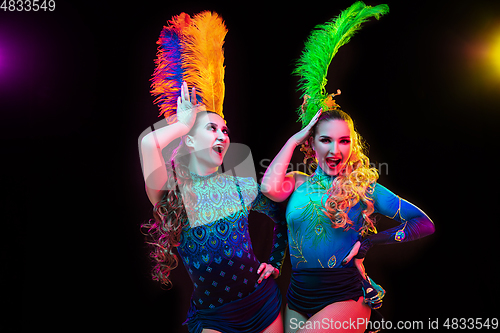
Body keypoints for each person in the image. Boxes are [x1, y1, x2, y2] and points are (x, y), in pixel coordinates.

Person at [260, 2, 434, 332]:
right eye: (326, 140)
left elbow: (422, 224)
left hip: (345, 294)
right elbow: (269, 188)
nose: (335, 149)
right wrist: (294, 138)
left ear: (352, 146)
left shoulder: (362, 187)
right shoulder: (295, 183)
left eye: (344, 141)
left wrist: (372, 243)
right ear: (312, 145)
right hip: (297, 297)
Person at [139, 12, 287, 333]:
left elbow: (276, 215)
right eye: (212, 128)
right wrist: (181, 124)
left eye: (226, 129)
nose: (223, 135)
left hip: (263, 305)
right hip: (214, 318)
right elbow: (148, 144)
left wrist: (274, 263)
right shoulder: (170, 191)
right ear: (190, 139)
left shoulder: (237, 185)